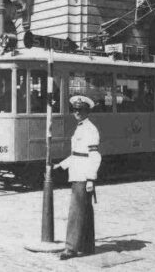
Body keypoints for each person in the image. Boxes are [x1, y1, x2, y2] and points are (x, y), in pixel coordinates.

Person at [55, 96, 101, 260]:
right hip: (77, 171)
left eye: (80, 110)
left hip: (83, 174)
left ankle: (71, 247)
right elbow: (77, 154)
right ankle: (87, 246)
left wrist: (90, 178)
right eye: (75, 110)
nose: (77, 113)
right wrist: (61, 165)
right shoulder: (80, 128)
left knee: (76, 210)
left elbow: (94, 156)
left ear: (87, 111)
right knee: (85, 210)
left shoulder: (90, 129)